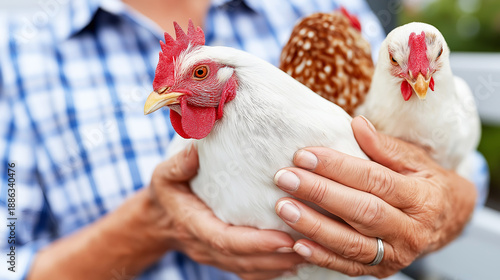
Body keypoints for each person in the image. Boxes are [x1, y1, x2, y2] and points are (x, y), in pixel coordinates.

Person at [0, 0, 488, 279]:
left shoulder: (321, 6)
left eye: (198, 75)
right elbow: (10, 259)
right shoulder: (19, 61)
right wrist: (150, 225)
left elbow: (448, 157)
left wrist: (443, 198)